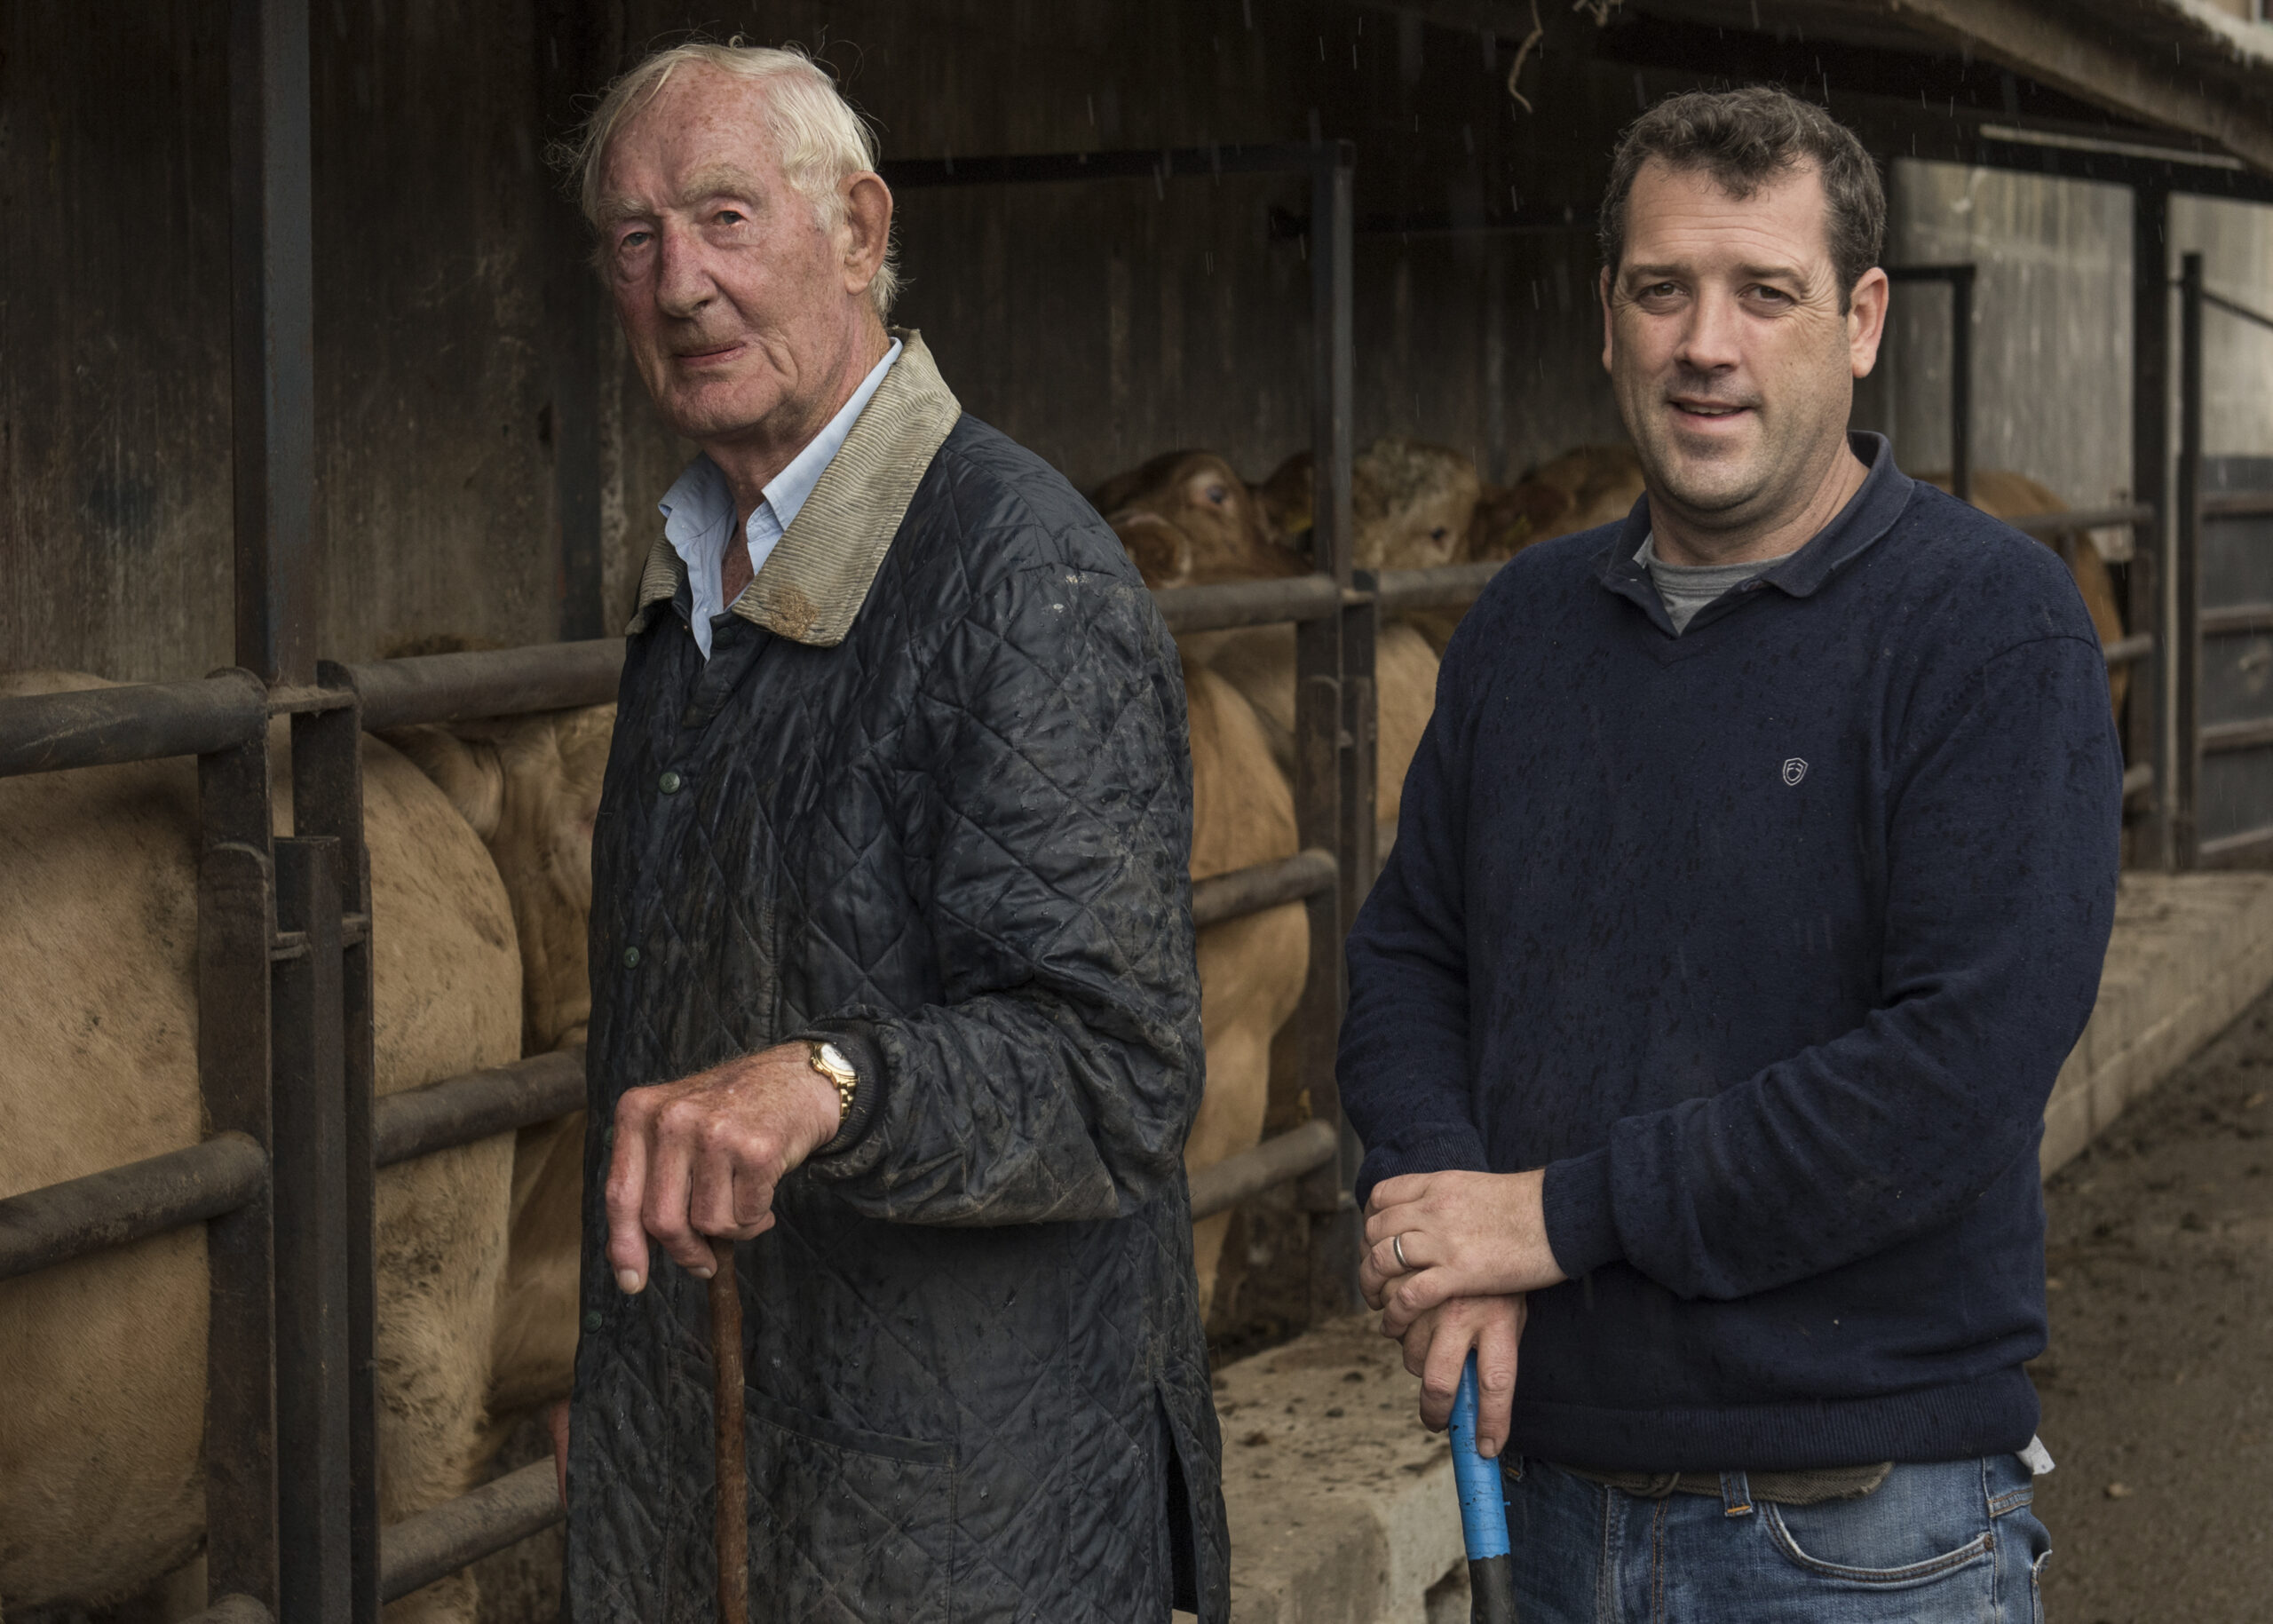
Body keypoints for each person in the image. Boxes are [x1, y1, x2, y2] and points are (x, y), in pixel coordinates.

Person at [1340, 86, 2119, 1621]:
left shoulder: (1990, 630)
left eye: (1767, 292)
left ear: (1861, 320)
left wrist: (1547, 1216)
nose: (1708, 343)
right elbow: (1409, 955)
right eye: (1663, 289)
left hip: (1858, 1534)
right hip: (1545, 1505)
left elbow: (1948, 1078)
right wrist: (1448, 1227)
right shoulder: (1524, 625)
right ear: (1607, 316)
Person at [552, 43, 1225, 1622]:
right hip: (742, 1456)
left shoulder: (1018, 580)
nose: (681, 282)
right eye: (637, 238)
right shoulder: (692, 581)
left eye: (727, 217)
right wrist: (636, 1380)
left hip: (970, 1502)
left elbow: (1114, 1069)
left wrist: (836, 1078)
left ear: (858, 230)